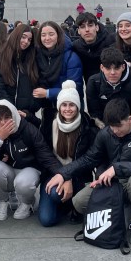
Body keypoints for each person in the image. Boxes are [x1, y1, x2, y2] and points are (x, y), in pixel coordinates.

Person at [46, 96, 131, 245]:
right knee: (79, 202)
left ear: (130, 120)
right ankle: (124, 209)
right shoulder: (105, 133)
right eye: (112, 126)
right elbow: (89, 159)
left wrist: (117, 168)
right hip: (113, 184)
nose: (115, 130)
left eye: (119, 126)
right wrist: (63, 173)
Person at [0, 99, 60, 221]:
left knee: (23, 183)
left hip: (30, 170)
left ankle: (27, 203)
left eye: (7, 117)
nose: (3, 122)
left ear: (14, 116)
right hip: (9, 170)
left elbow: (46, 155)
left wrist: (62, 175)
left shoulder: (28, 129)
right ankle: (3, 200)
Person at [35, 81, 97, 227]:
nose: (67, 109)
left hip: (79, 177)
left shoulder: (88, 127)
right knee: (46, 220)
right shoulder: (49, 124)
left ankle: (73, 203)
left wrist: (67, 175)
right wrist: (63, 175)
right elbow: (44, 155)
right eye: (64, 105)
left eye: (71, 105)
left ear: (78, 107)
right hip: (53, 172)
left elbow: (88, 159)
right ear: (59, 106)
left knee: (56, 194)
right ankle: (67, 205)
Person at [0, 22, 43, 128]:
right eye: (23, 37)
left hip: (27, 116)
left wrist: (30, 108)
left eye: (29, 39)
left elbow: (38, 86)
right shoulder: (0, 58)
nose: (26, 42)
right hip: (5, 115)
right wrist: (10, 110)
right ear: (16, 36)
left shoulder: (32, 59)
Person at [33, 20, 84, 131]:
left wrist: (48, 93)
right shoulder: (38, 55)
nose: (47, 38)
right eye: (43, 35)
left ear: (59, 35)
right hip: (48, 109)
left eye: (51, 34)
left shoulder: (71, 57)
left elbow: (76, 87)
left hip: (68, 111)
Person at [84, 46, 131, 124]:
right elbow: (95, 113)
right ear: (102, 67)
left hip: (129, 125)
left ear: (123, 67)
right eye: (108, 68)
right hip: (104, 125)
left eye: (116, 68)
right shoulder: (94, 82)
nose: (112, 73)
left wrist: (126, 126)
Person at [72, 11, 115, 84]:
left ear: (97, 27)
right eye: (82, 27)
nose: (87, 30)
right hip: (90, 86)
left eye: (90, 25)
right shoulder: (75, 47)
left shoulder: (111, 41)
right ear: (78, 31)